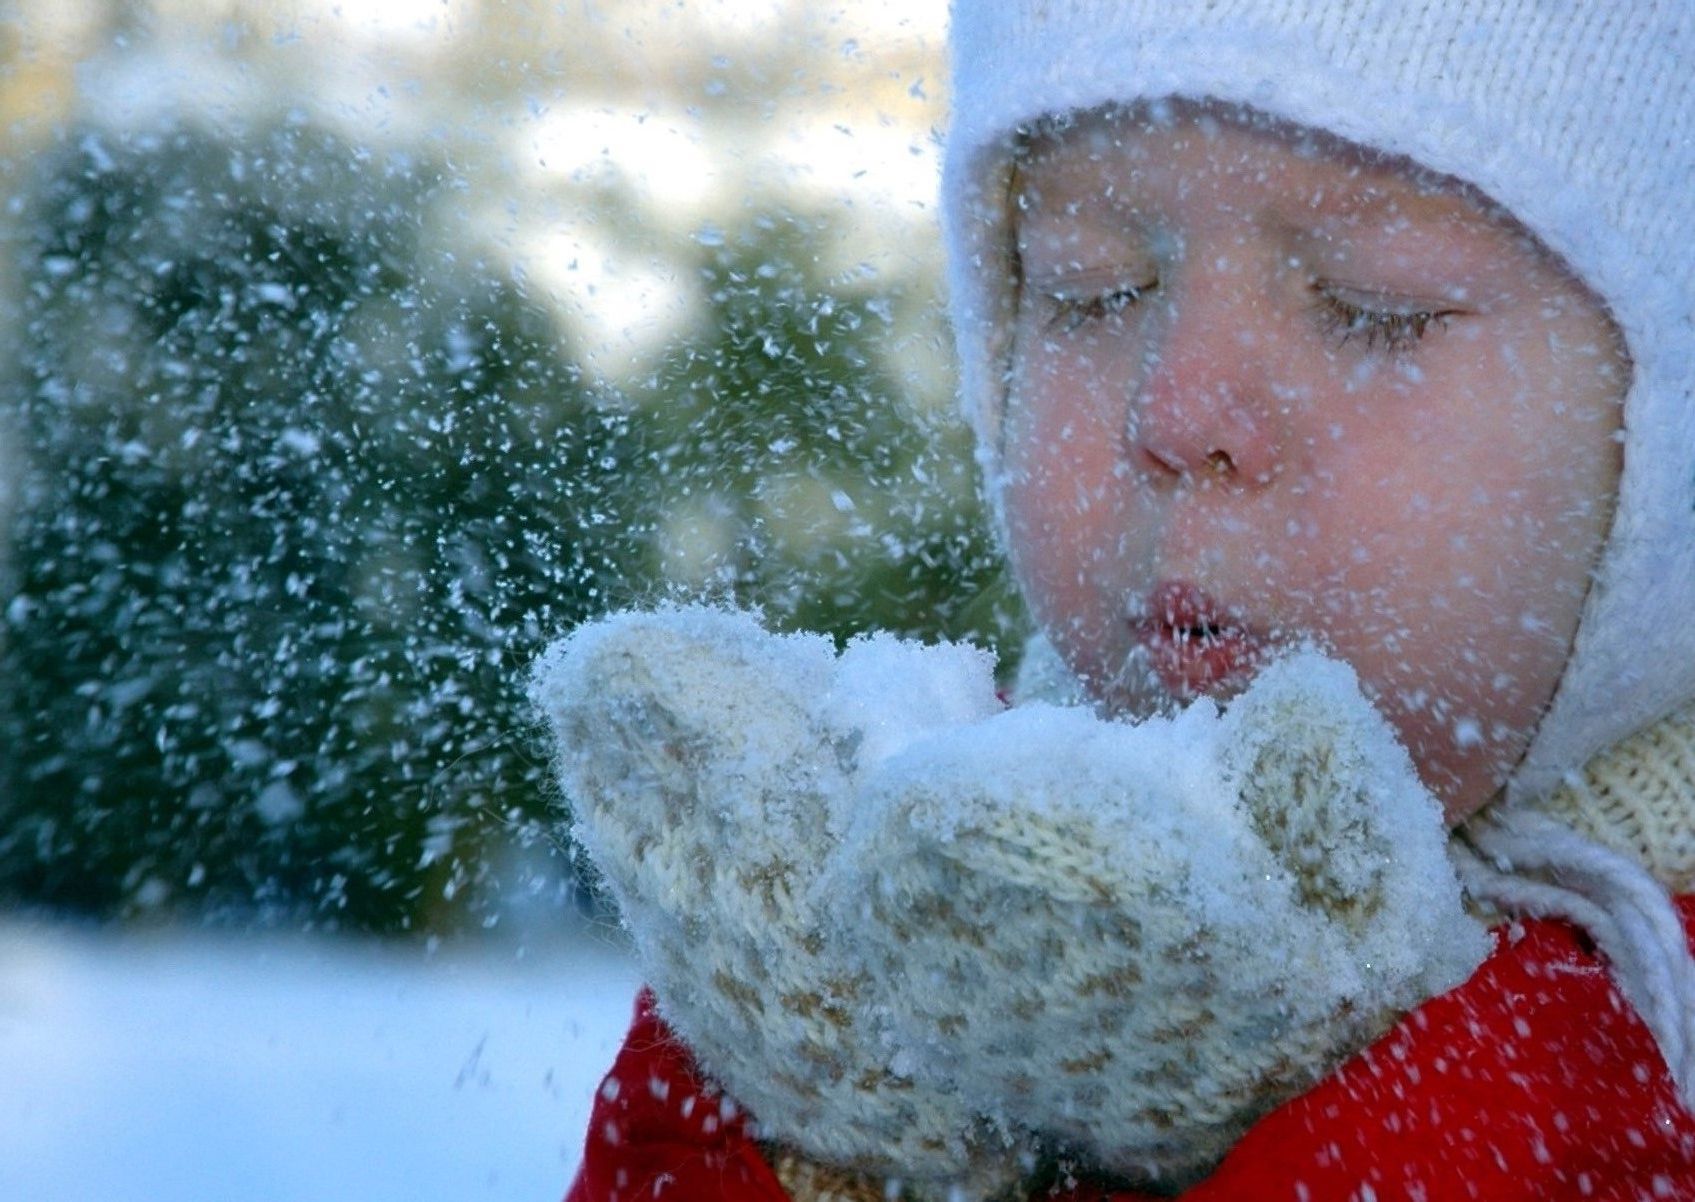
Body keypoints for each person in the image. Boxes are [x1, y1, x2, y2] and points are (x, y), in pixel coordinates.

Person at [556, 1, 1695, 1198]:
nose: (1178, 409)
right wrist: (813, 1128)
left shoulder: (1645, 1057)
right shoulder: (922, 906)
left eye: (1373, 303)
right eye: (1091, 288)